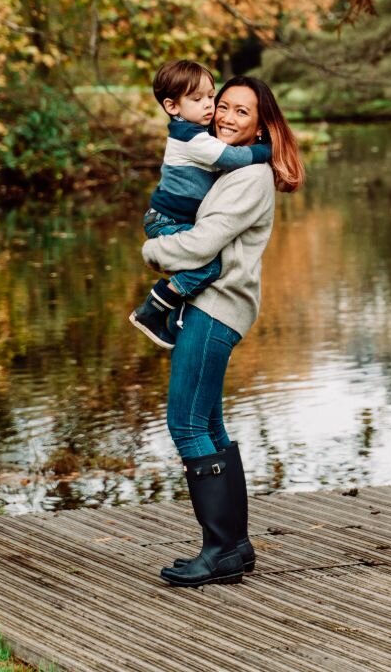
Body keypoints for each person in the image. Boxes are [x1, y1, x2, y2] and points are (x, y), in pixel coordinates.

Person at [141, 75, 304, 588]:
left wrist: (152, 252)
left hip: (217, 308)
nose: (228, 117)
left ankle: (218, 549)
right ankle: (232, 547)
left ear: (262, 123)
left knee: (185, 424)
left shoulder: (248, 176)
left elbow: (200, 244)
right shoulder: (221, 162)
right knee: (208, 426)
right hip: (210, 305)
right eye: (224, 107)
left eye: (243, 112)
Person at [129, 59, 274, 350]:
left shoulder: (197, 133)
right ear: (172, 107)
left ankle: (168, 308)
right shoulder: (192, 138)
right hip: (166, 220)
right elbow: (233, 158)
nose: (209, 105)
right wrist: (266, 149)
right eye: (198, 99)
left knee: (204, 264)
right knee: (210, 265)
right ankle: (154, 309)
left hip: (169, 217)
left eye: (211, 96)